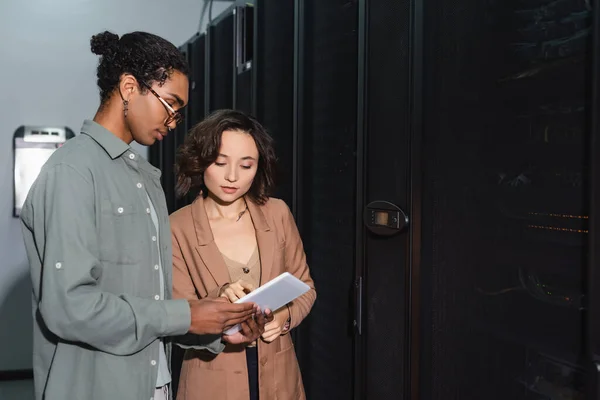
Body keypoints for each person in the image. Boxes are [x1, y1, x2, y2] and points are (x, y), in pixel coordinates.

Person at [20, 31, 269, 400]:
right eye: (170, 104)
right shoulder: (71, 172)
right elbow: (69, 308)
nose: (173, 121)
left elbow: (151, 305)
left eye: (180, 111)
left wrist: (215, 327)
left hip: (154, 385)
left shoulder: (147, 179)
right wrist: (186, 315)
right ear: (129, 87)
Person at [170, 109, 317, 400]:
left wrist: (285, 318)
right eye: (220, 162)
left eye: (246, 165)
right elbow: (177, 319)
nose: (233, 176)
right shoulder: (176, 227)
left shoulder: (277, 213)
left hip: (280, 378)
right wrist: (220, 299)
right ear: (201, 161)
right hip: (210, 382)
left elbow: (306, 287)